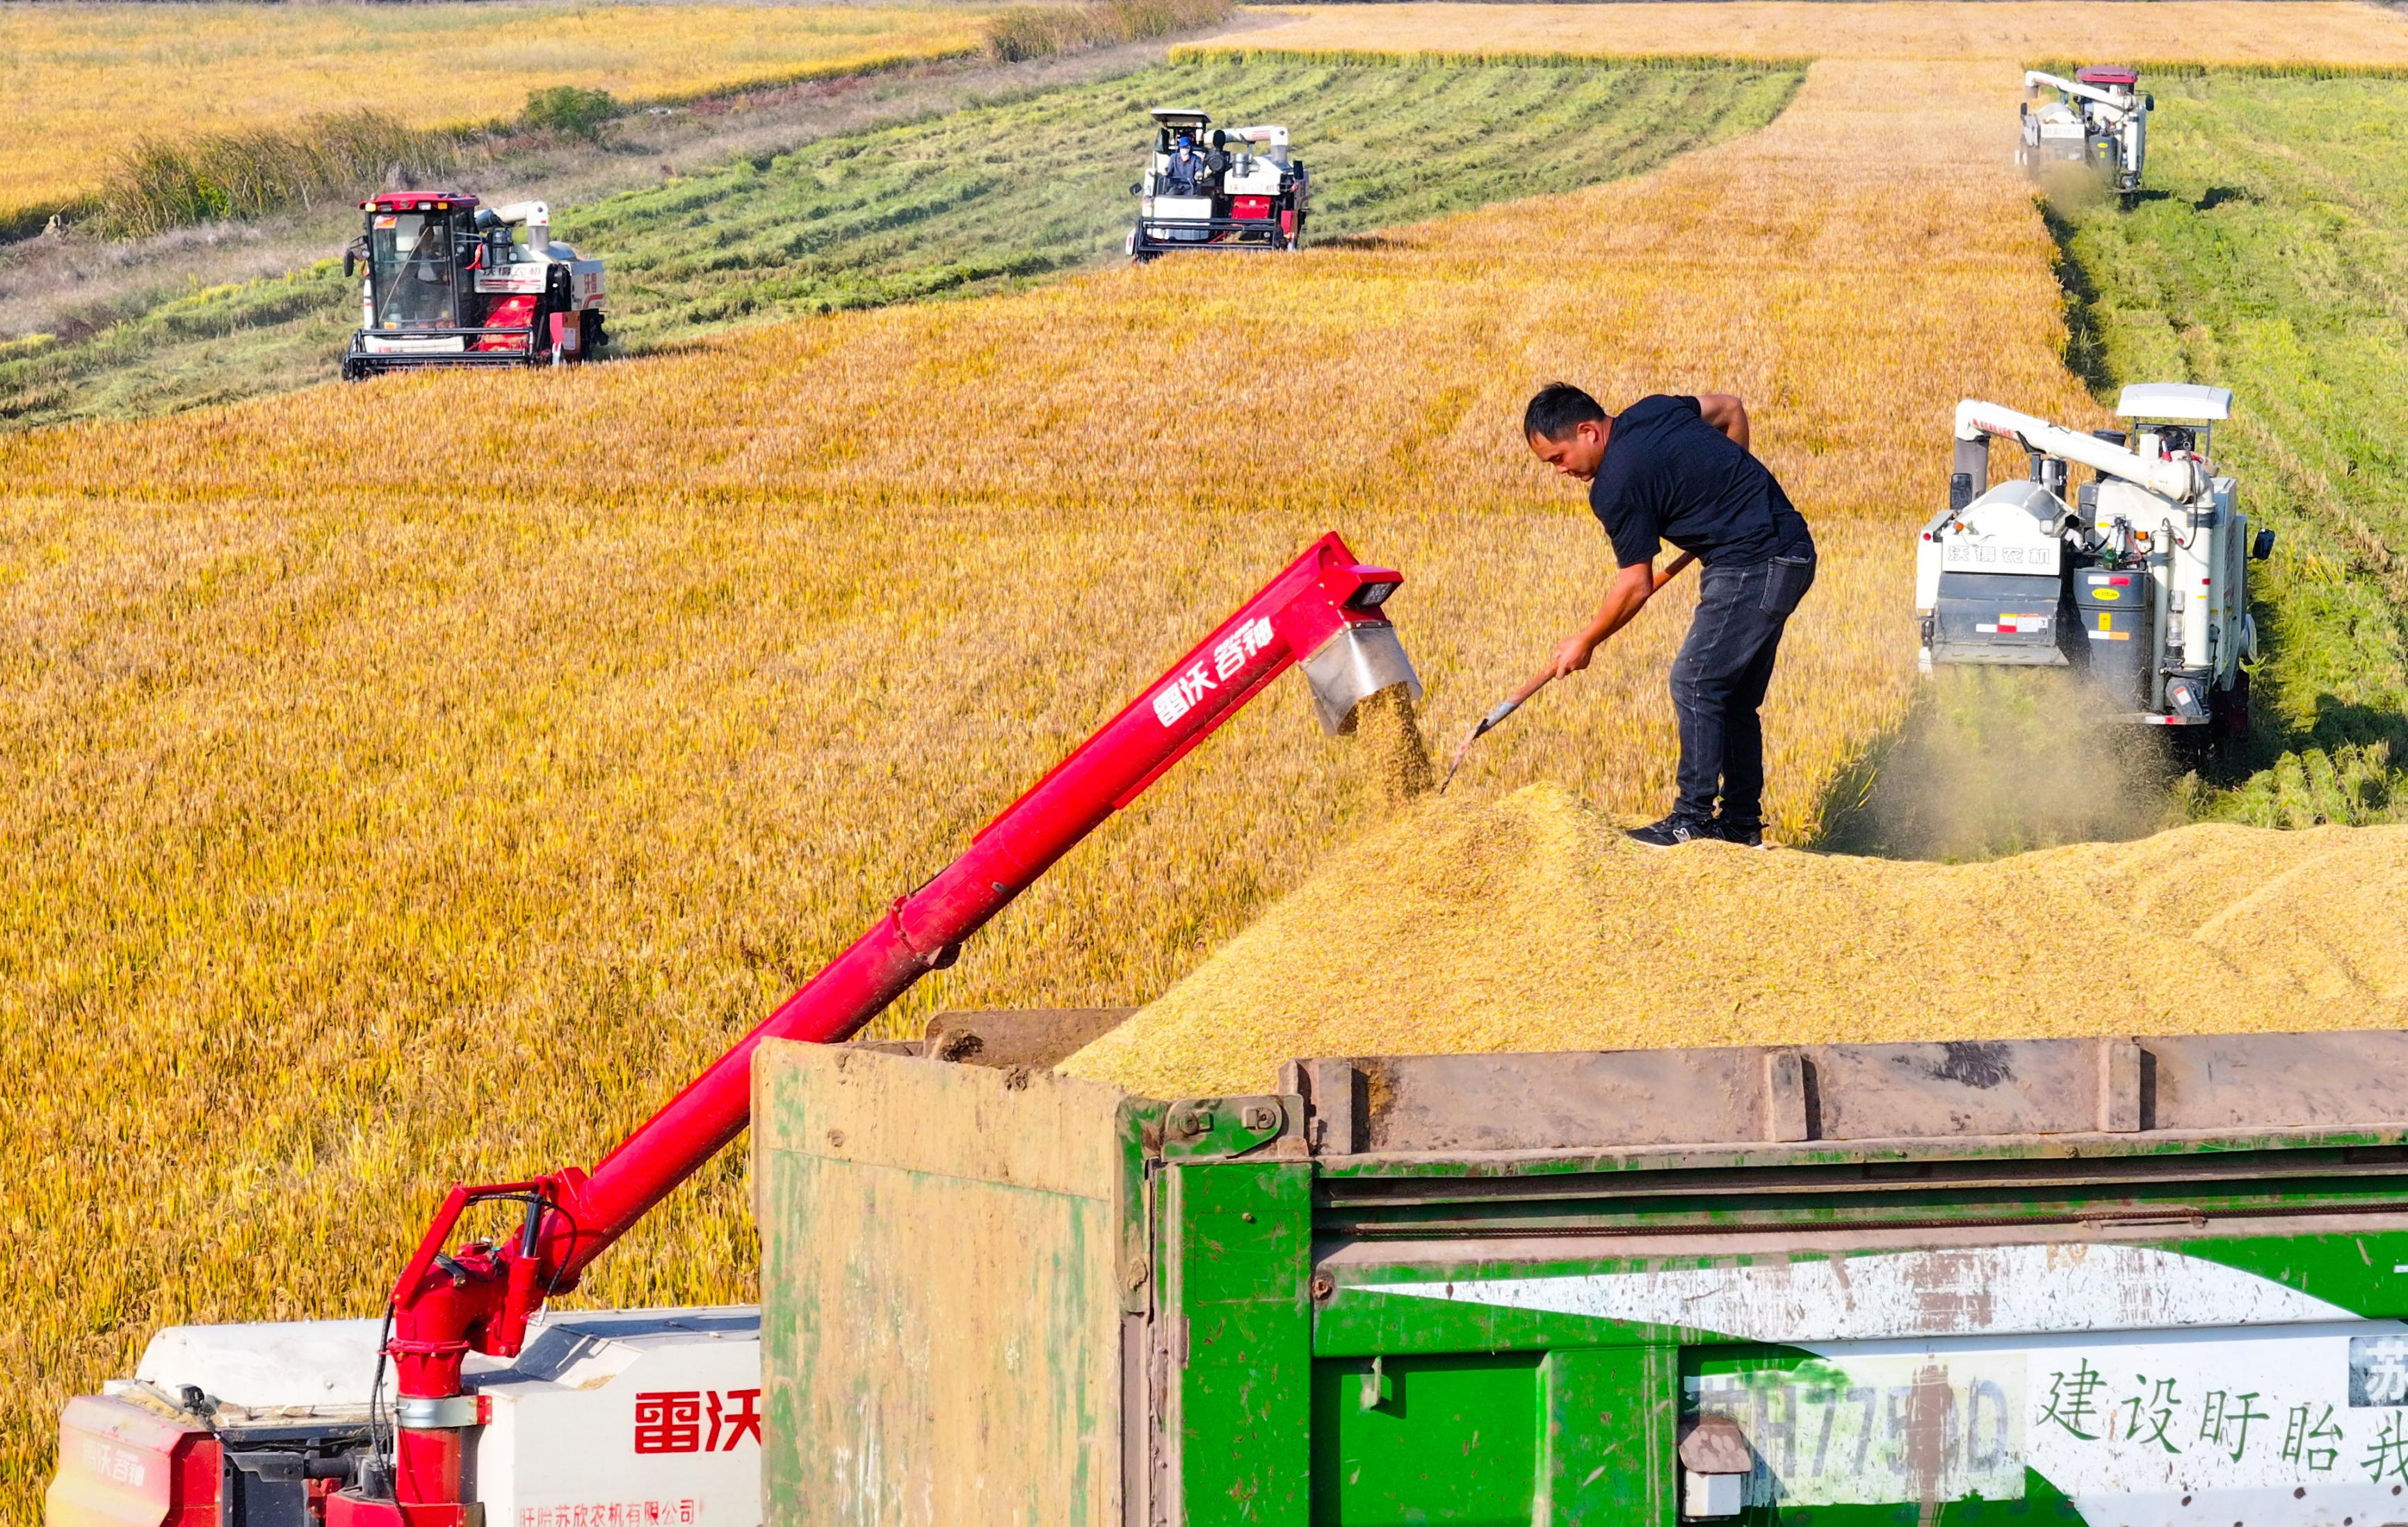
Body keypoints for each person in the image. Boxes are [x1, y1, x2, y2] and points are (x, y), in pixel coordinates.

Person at [1524, 383, 1816, 848]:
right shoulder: (1652, 410)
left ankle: (1692, 819)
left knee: (1695, 681)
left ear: (1587, 432)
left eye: (1558, 457)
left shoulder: (1614, 485)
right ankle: (1740, 825)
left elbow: (1634, 584)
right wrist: (1729, 483)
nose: (1560, 471)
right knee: (1732, 698)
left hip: (1753, 562)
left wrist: (1586, 641)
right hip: (1791, 552)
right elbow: (1729, 408)